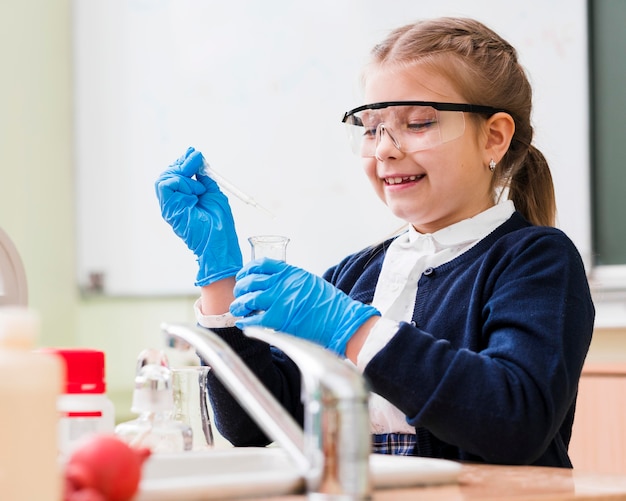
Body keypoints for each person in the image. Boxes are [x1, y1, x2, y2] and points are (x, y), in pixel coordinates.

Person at [155, 17, 594, 468]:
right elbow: (251, 426)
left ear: (494, 137)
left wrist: (353, 328)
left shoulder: (537, 260)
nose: (384, 149)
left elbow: (513, 421)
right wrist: (219, 279)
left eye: (419, 123)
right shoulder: (355, 274)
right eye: (369, 128)